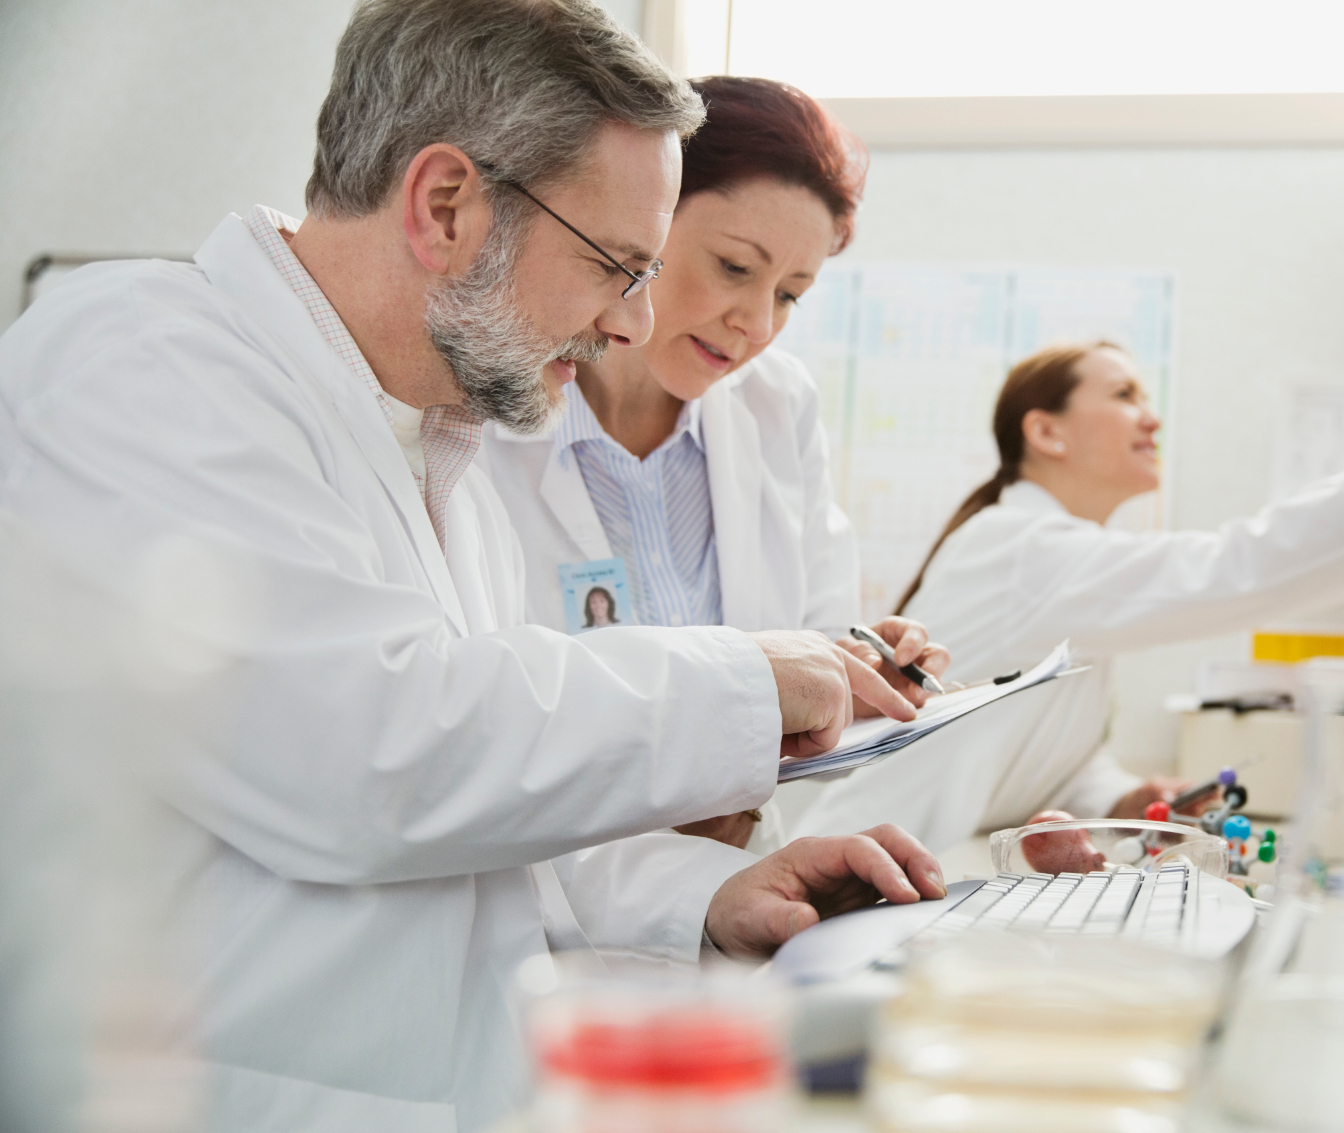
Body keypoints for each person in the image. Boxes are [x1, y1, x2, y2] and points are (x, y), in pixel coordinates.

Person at [0, 3, 946, 1129]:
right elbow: (369, 752)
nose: (633, 323)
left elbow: (485, 818)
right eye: (615, 265)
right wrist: (744, 673)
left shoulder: (438, 441)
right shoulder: (141, 362)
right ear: (444, 205)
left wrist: (710, 893)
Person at [479, 75, 950, 853]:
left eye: (792, 293)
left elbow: (811, 648)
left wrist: (862, 674)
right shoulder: (493, 415)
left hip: (739, 879)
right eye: (735, 267)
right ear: (644, 218)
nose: (757, 324)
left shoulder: (778, 406)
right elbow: (487, 721)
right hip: (551, 892)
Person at [873, 337, 1344, 836]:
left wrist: (1121, 795)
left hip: (912, 866)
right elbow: (1238, 568)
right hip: (856, 881)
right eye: (1124, 394)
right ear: (1046, 432)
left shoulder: (1043, 555)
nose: (1152, 417)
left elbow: (1023, 749)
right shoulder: (1023, 548)